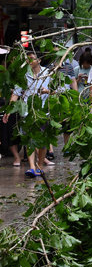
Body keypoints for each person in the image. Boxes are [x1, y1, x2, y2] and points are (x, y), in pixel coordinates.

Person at [8, 49, 55, 178]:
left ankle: (39, 165)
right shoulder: (24, 75)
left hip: (43, 112)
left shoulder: (48, 74)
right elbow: (16, 93)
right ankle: (32, 167)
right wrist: (9, 110)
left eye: (32, 58)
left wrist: (48, 92)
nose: (29, 61)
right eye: (27, 59)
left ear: (39, 60)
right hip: (27, 112)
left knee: (43, 142)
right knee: (29, 140)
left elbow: (57, 91)